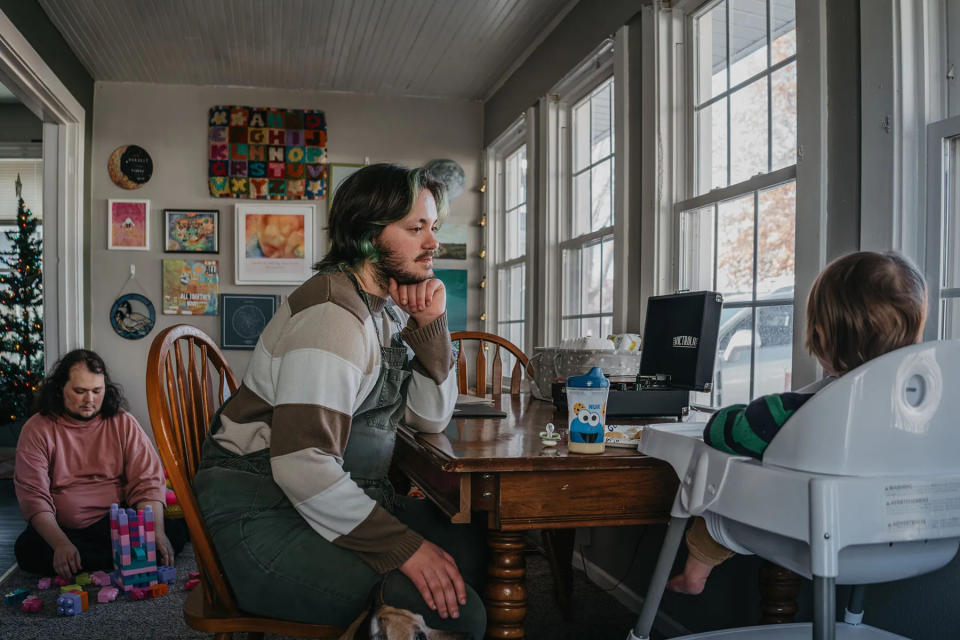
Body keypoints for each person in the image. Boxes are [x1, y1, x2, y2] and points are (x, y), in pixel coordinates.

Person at [192, 163, 486, 638]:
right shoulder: (332, 319)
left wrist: (432, 329)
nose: (434, 243)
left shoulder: (382, 308)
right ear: (368, 234)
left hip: (319, 495)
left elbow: (429, 417)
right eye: (416, 229)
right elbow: (301, 464)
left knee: (471, 541)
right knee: (460, 614)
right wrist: (404, 548)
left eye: (434, 227)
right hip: (261, 514)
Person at [668, 251, 928, 595]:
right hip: (906, 535)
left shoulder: (796, 413)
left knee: (715, 505)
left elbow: (724, 431)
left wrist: (725, 416)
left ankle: (694, 576)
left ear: (820, 338)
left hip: (808, 532)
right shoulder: (922, 418)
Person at [14, 349, 177, 578]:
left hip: (113, 523)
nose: (90, 400)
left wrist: (155, 532)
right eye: (80, 391)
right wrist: (60, 543)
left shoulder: (123, 422)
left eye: (96, 391)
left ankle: (87, 561)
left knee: (169, 534)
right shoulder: (37, 428)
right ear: (60, 389)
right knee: (27, 551)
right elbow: (33, 496)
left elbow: (147, 481)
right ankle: (98, 558)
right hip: (63, 527)